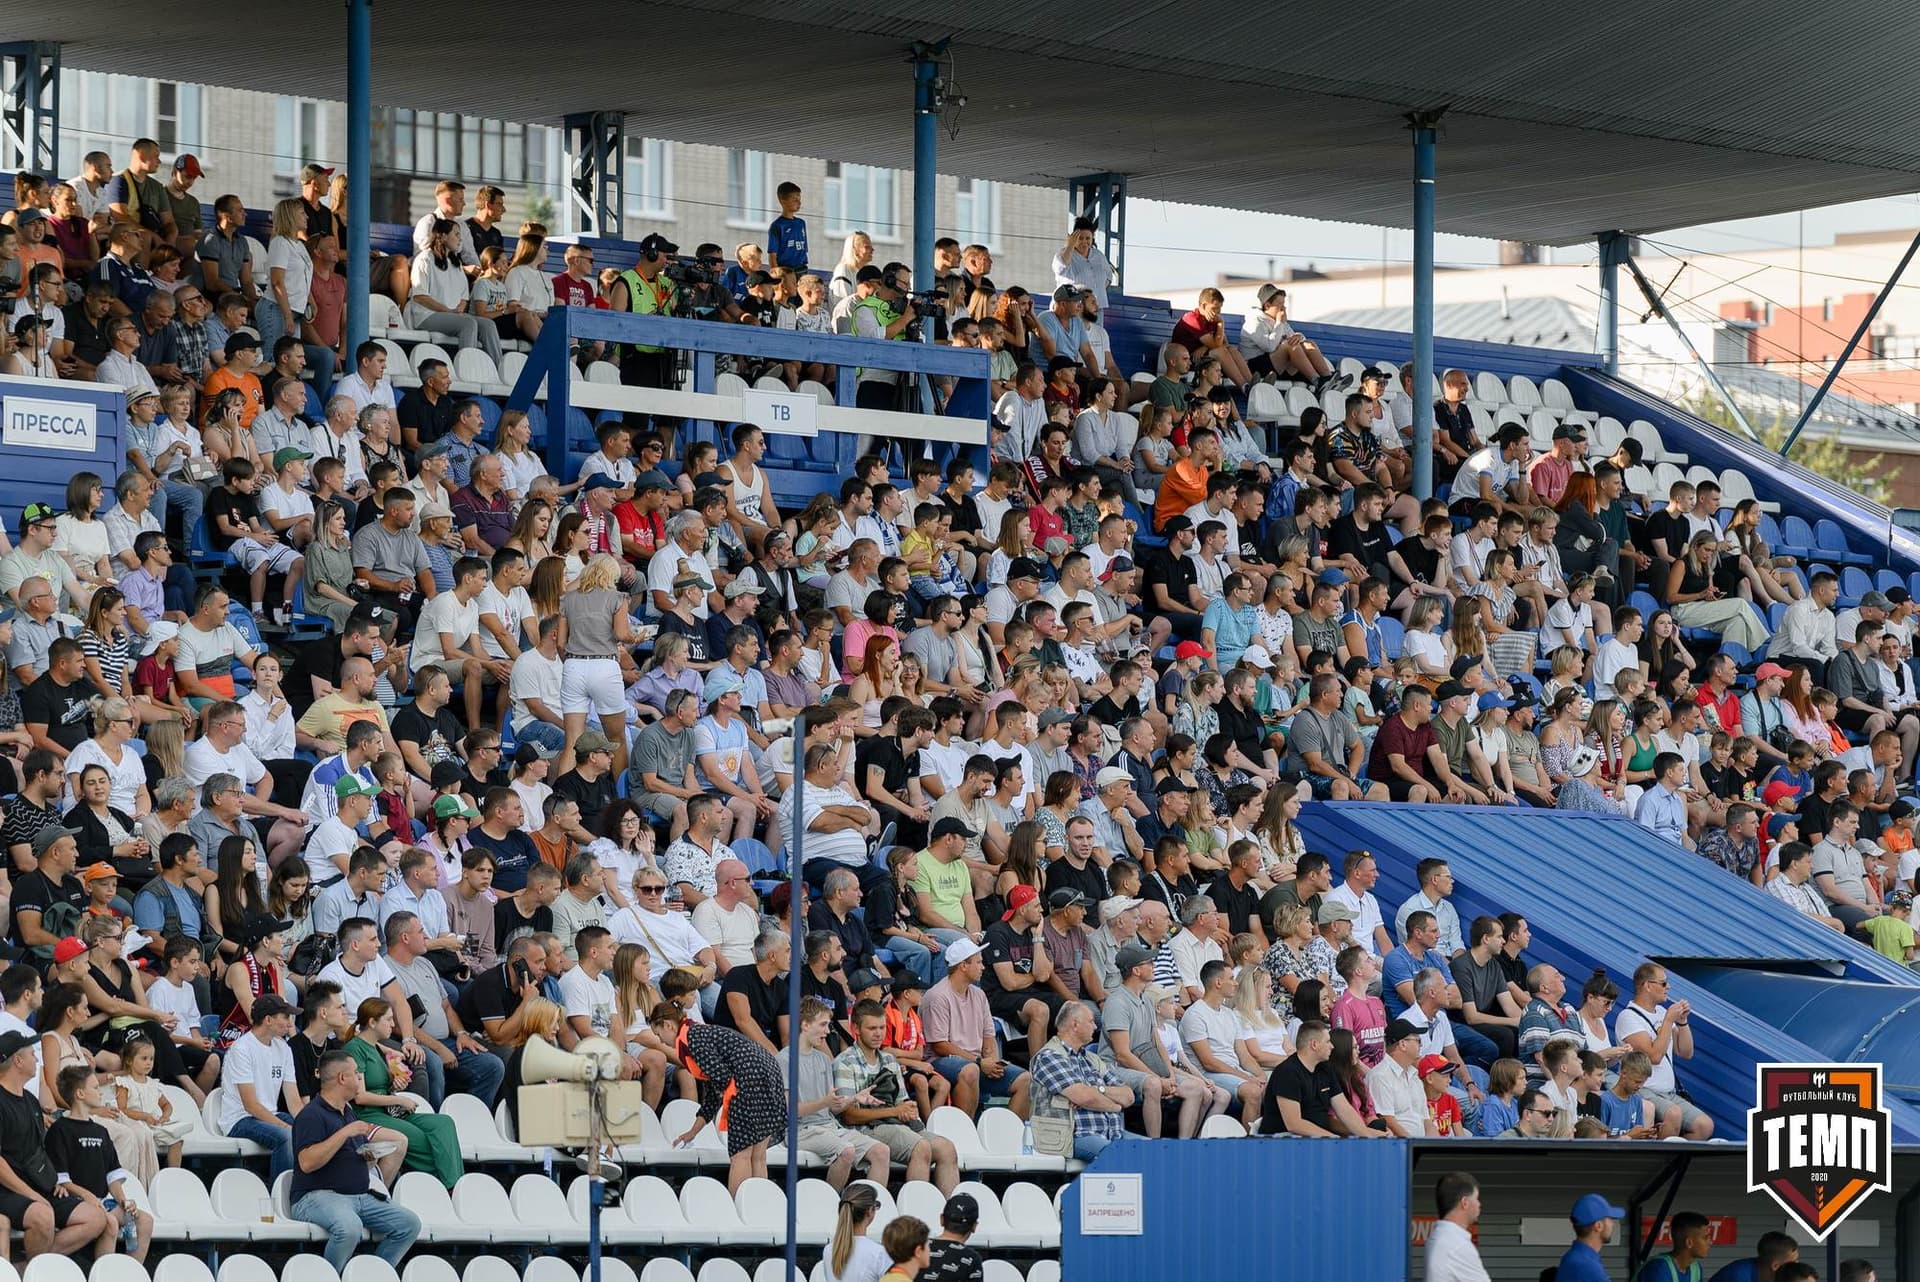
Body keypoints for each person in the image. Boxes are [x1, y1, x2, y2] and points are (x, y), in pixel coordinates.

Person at [288, 1048, 422, 1272]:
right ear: (342, 1078)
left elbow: (346, 1155)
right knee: (350, 1228)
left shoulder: (347, 1112)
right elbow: (307, 1162)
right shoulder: (311, 1114)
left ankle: (371, 1274)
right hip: (317, 1195)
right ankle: (331, 1276)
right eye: (356, 1074)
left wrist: (369, 1158)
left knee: (409, 1224)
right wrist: (344, 1133)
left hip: (359, 1196)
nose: (361, 1078)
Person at [657, 1001, 787, 1194]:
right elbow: (714, 1091)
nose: (661, 1041)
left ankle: (738, 1208)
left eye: (659, 1035)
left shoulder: (692, 1037)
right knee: (758, 1156)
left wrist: (725, 1102)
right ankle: (758, 1204)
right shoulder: (702, 1032)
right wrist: (693, 1131)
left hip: (748, 1078)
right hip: (769, 1072)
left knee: (740, 1155)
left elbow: (722, 1079)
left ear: (668, 1025)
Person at [1424, 1172, 1491, 1282]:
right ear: (1465, 1203)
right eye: (1477, 1198)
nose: (1479, 1204)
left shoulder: (1436, 1237)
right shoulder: (1457, 1246)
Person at [1557, 1193, 1625, 1282]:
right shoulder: (1586, 1265)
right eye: (1610, 1219)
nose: (1612, 1224)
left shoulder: (1577, 1257)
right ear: (1598, 1226)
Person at [1635, 1211, 1715, 1282]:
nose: (1710, 1242)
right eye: (1705, 1238)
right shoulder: (1658, 1268)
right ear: (1689, 1243)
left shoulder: (1696, 1268)